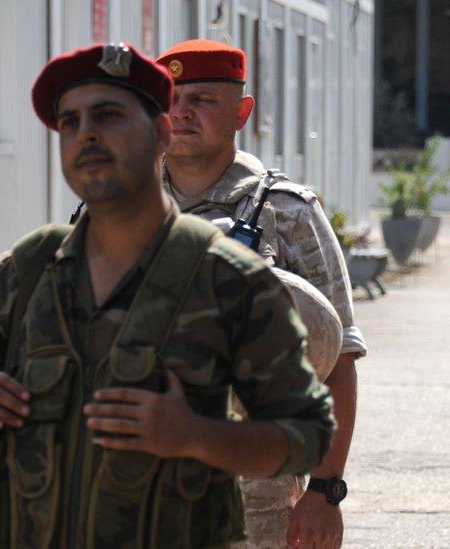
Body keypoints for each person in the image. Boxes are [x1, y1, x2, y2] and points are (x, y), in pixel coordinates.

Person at [0, 43, 334, 548]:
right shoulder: (29, 267)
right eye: (70, 122)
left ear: (159, 132)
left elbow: (306, 429)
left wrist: (195, 436)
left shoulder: (231, 278)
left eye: (109, 115)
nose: (88, 135)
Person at [155, 39, 365, 549]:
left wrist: (325, 490)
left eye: (202, 100)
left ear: (241, 112)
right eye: (170, 100)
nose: (181, 114)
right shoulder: (120, 209)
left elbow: (337, 360)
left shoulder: (287, 212)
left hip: (255, 494)